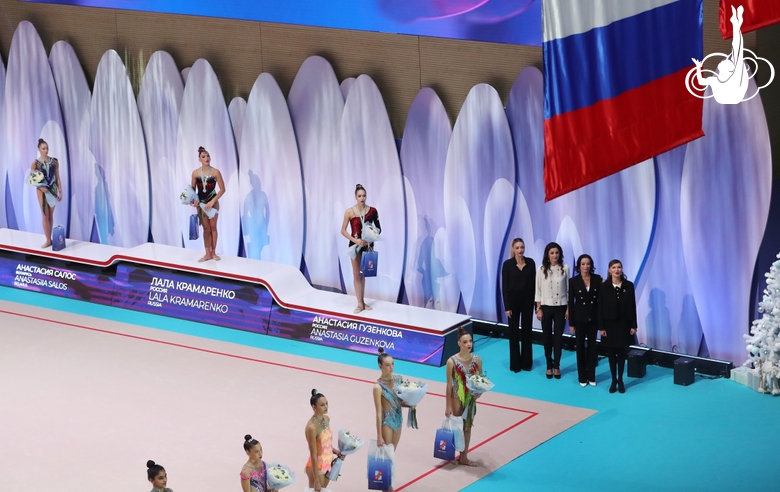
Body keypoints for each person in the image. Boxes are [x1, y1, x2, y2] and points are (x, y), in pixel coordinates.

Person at [340, 183, 381, 314]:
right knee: (357, 275)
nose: (362, 198)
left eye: (364, 196)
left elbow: (379, 229)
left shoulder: (373, 211)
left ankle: (363, 302)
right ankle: (359, 304)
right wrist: (356, 240)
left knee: (364, 275)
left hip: (368, 245)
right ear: (355, 197)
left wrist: (370, 236)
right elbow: (343, 230)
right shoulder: (350, 212)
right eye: (359, 196)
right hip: (355, 246)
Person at [598, 259, 638, 394]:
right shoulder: (603, 287)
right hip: (609, 325)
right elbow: (600, 308)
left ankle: (620, 379)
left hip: (624, 325)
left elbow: (633, 306)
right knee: (611, 354)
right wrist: (601, 327)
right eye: (614, 267)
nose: (617, 270)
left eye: (619, 267)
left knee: (621, 353)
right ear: (609, 270)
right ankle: (613, 380)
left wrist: (633, 325)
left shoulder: (629, 286)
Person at [445, 327, 483, 466]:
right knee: (458, 426)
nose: (469, 344)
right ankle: (455, 453)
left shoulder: (477, 359)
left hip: (470, 397)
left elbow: (480, 380)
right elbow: (449, 385)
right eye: (465, 342)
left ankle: (464, 457)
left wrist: (479, 392)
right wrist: (448, 406)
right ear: (459, 343)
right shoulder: (452, 361)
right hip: (456, 396)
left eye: (470, 341)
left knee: (468, 426)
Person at [535, 242, 569, 379]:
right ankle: (549, 364)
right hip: (546, 307)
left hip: (561, 307)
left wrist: (568, 309)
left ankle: (557, 365)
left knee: (558, 338)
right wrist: (539, 308)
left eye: (557, 253)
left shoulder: (565, 268)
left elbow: (568, 290)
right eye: (552, 253)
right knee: (547, 338)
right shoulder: (541, 269)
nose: (555, 255)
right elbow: (538, 290)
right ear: (547, 255)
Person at [501, 238, 536, 373]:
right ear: (513, 249)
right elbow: (504, 287)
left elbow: (534, 285)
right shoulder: (508, 265)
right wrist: (507, 306)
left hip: (528, 301)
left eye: (522, 247)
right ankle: (515, 364)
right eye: (517, 247)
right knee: (513, 332)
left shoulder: (531, 263)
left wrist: (536, 304)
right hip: (513, 303)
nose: (520, 250)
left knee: (527, 331)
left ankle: (527, 363)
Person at [568, 254, 602, 387]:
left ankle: (592, 376)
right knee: (580, 348)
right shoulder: (573, 281)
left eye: (588, 264)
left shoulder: (597, 279)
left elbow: (600, 303)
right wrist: (571, 323)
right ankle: (582, 376)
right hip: (579, 319)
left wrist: (600, 322)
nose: (586, 266)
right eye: (583, 264)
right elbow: (571, 303)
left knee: (593, 348)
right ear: (579, 266)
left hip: (593, 319)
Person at [190, 146, 226, 262]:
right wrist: (193, 201)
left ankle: (214, 252)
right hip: (201, 205)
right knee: (206, 229)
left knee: (213, 227)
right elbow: (192, 191)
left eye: (208, 156)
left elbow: (222, 189)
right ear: (199, 159)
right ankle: (207, 254)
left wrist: (213, 201)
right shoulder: (195, 173)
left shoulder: (215, 172)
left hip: (212, 203)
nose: (206, 158)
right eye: (203, 156)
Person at [305, 389, 343, 491]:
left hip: (327, 461)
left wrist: (334, 451)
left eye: (326, 403)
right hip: (317, 465)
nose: (326, 407)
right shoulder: (311, 427)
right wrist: (316, 479)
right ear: (314, 407)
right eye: (322, 405)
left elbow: (326, 442)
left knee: (324, 489)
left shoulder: (326, 419)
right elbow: (313, 453)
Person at [30, 138, 63, 248]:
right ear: (39, 149)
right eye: (43, 148)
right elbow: (33, 180)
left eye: (47, 148)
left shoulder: (54, 161)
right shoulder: (35, 163)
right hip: (41, 190)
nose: (46, 150)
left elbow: (57, 177)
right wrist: (41, 187)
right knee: (45, 215)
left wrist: (61, 190)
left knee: (50, 215)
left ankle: (50, 239)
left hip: (53, 188)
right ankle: (48, 239)